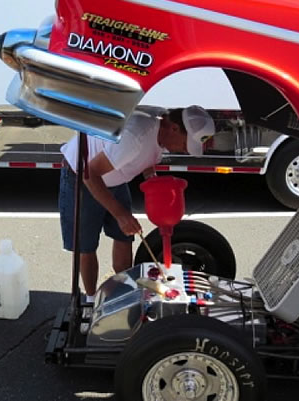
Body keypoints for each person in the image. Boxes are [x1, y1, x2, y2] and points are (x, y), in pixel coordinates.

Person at [59, 105, 215, 304]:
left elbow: (148, 156)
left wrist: (152, 179)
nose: (184, 150)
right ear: (174, 128)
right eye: (185, 144)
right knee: (86, 245)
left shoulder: (162, 133)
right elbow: (91, 174)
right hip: (82, 176)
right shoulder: (134, 137)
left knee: (125, 234)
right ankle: (90, 301)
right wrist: (120, 214)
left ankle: (124, 289)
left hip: (114, 176)